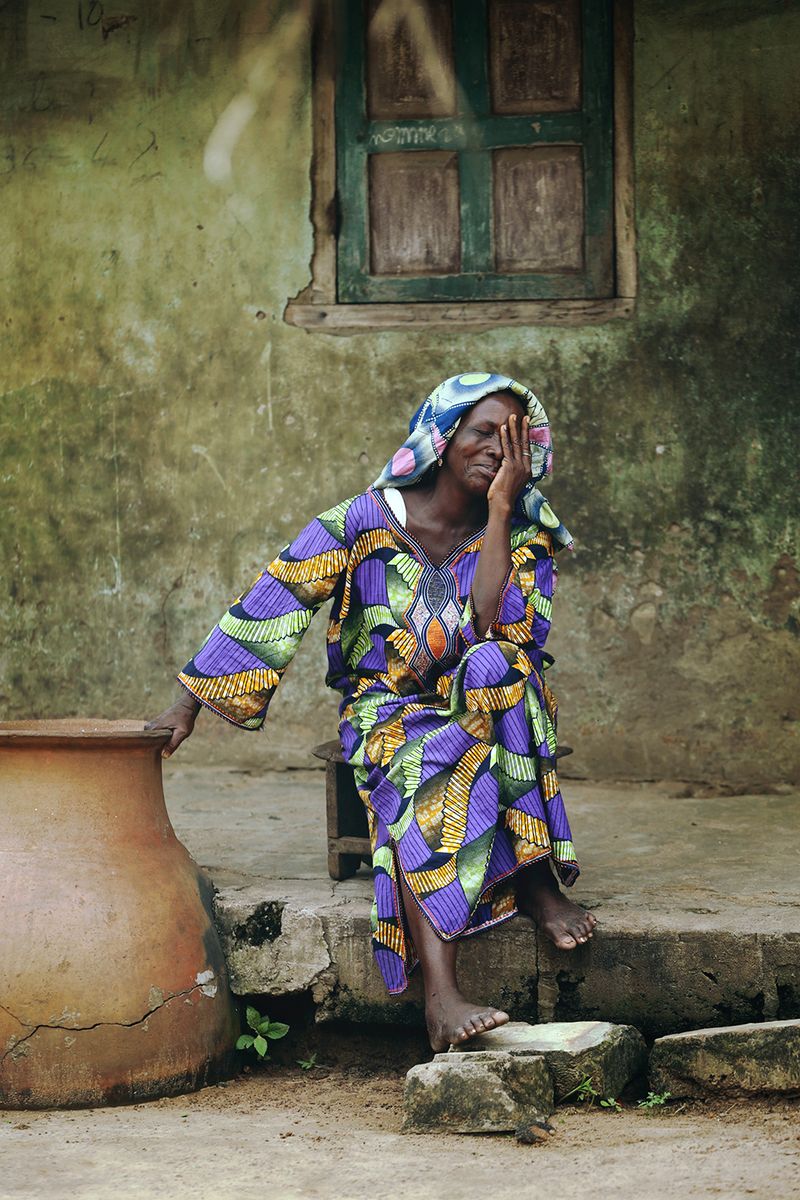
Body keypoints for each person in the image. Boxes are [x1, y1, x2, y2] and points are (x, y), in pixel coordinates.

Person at [148, 371, 597, 1052]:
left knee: (500, 664)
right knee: (431, 757)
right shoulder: (364, 519)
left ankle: (532, 878)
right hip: (389, 709)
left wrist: (504, 513)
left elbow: (492, 625)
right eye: (482, 433)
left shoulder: (525, 535)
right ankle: (442, 998)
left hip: (489, 703)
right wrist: (187, 703)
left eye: (512, 443)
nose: (496, 453)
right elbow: (277, 595)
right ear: (442, 438)